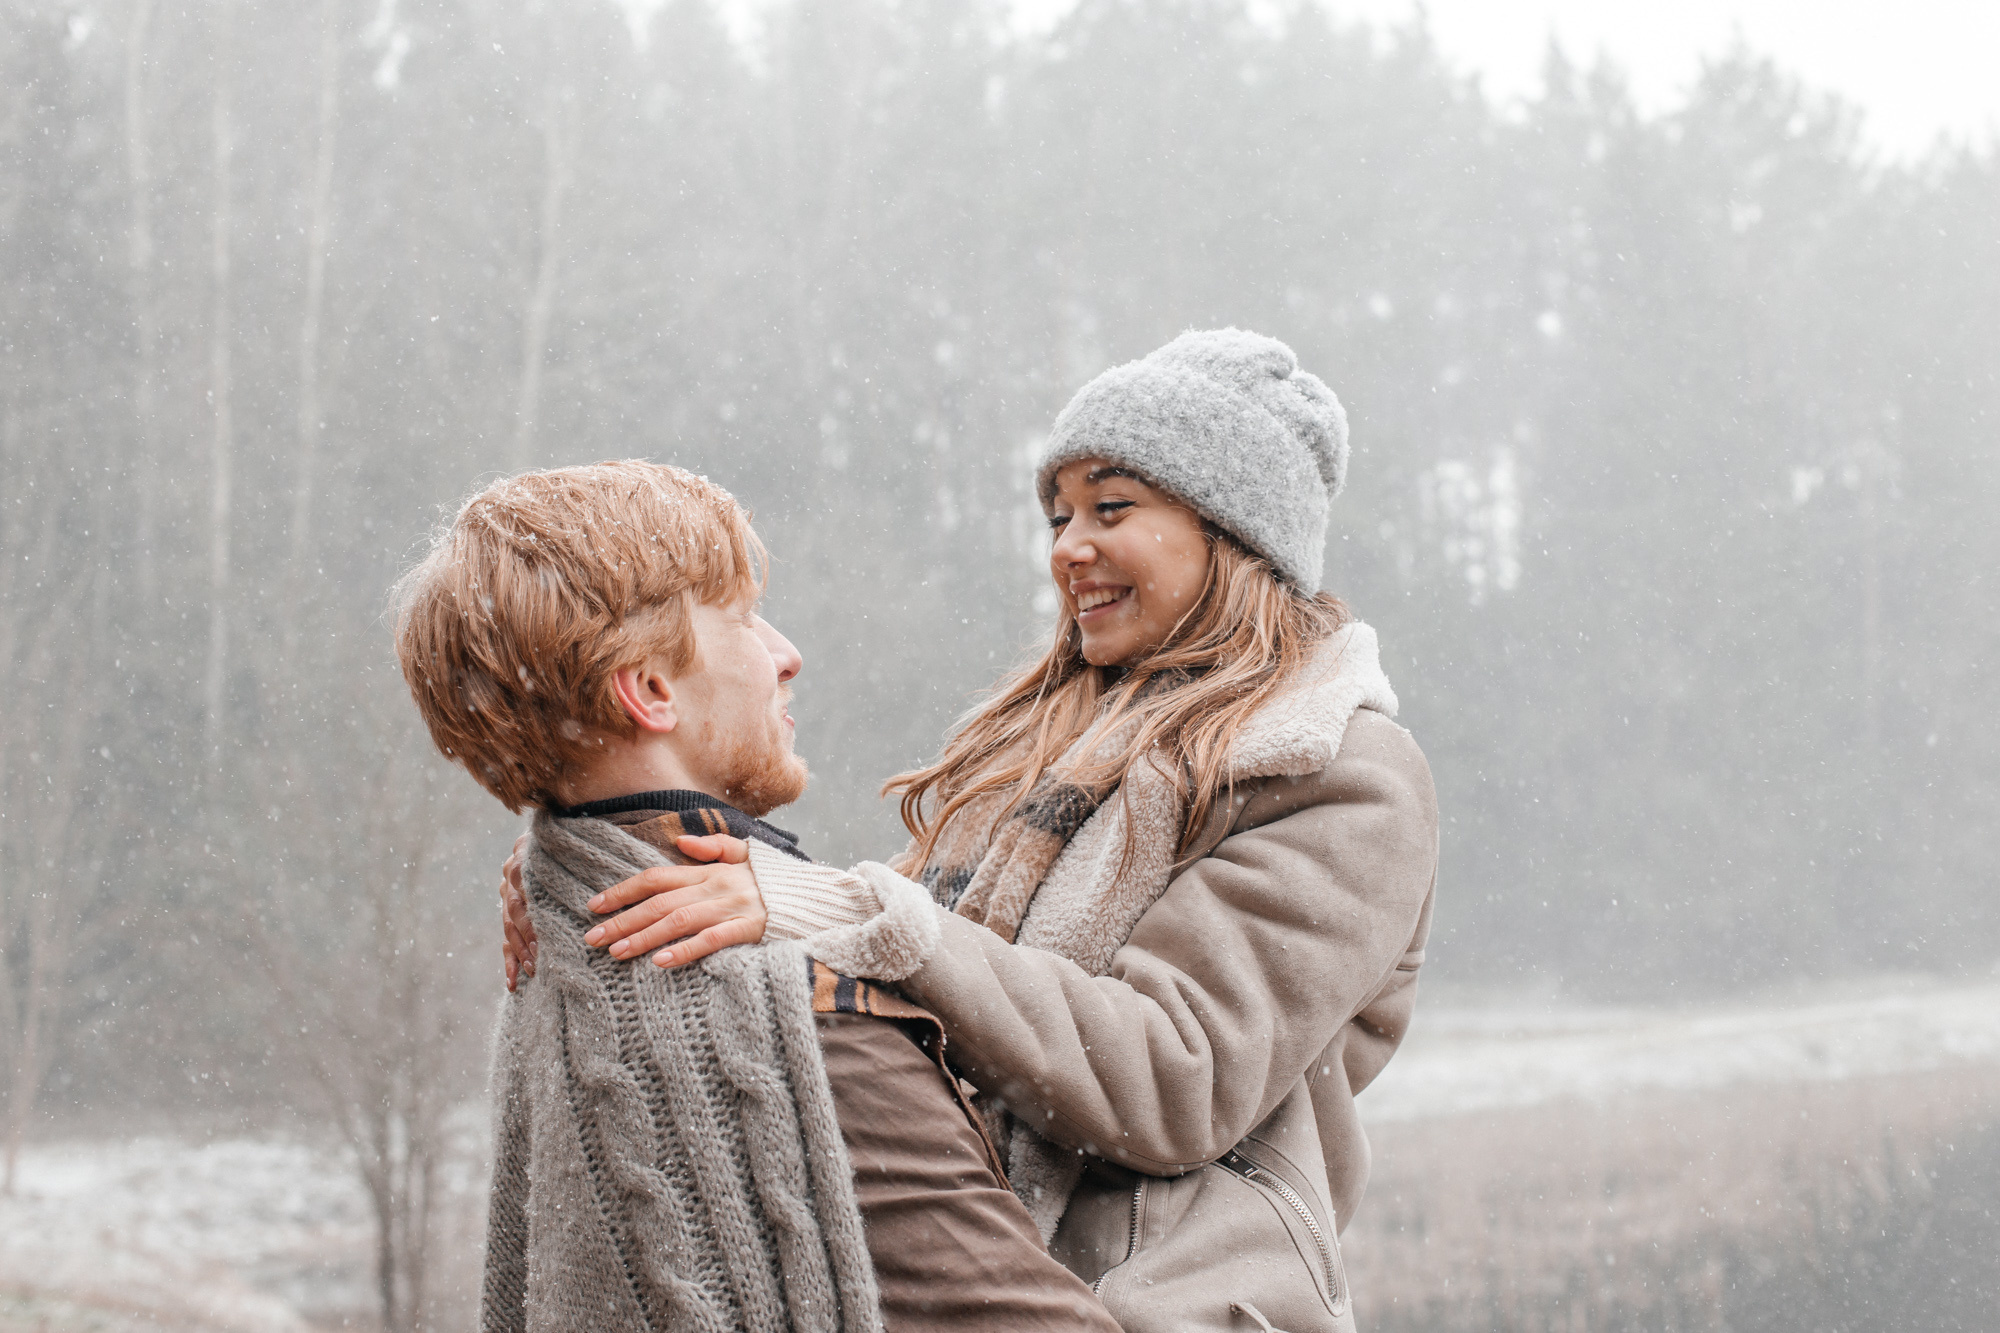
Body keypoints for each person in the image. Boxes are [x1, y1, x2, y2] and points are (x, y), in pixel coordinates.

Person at [504, 329, 1440, 1331]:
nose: (1067, 547)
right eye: (1057, 514)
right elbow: (911, 986)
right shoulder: (1043, 749)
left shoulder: (1338, 774)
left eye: (1110, 507)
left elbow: (1175, 1074)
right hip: (982, 1277)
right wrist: (591, 842)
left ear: (1234, 532)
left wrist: (853, 907)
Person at [396, 461, 1119, 1332]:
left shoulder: (553, 959)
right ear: (650, 690)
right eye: (740, 618)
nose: (786, 654)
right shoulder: (794, 1016)